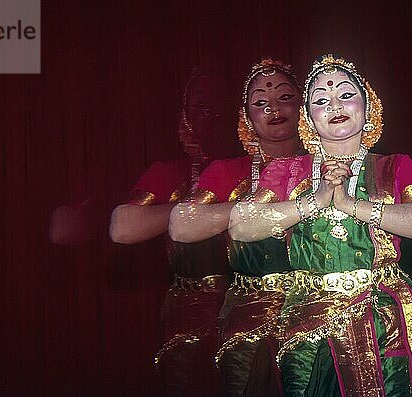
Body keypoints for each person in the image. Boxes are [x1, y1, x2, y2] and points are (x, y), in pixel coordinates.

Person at [229, 54, 412, 396]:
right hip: (307, 324)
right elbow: (240, 226)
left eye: (346, 95)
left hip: (384, 320)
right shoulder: (288, 171)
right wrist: (314, 201)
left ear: (369, 106)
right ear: (308, 118)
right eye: (321, 100)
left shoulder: (395, 166)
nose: (335, 105)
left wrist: (354, 206)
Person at [169, 59, 304, 396]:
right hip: (249, 311)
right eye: (260, 102)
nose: (274, 108)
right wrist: (255, 210)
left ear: (305, 104)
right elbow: (182, 225)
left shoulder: (330, 165)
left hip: (317, 308)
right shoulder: (227, 172)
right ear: (246, 116)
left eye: (285, 97)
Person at [107, 69, 237, 396]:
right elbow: (123, 227)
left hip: (246, 305)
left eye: (218, 107)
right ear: (185, 116)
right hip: (186, 310)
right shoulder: (168, 173)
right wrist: (192, 213)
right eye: (199, 107)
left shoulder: (258, 169)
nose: (210, 115)